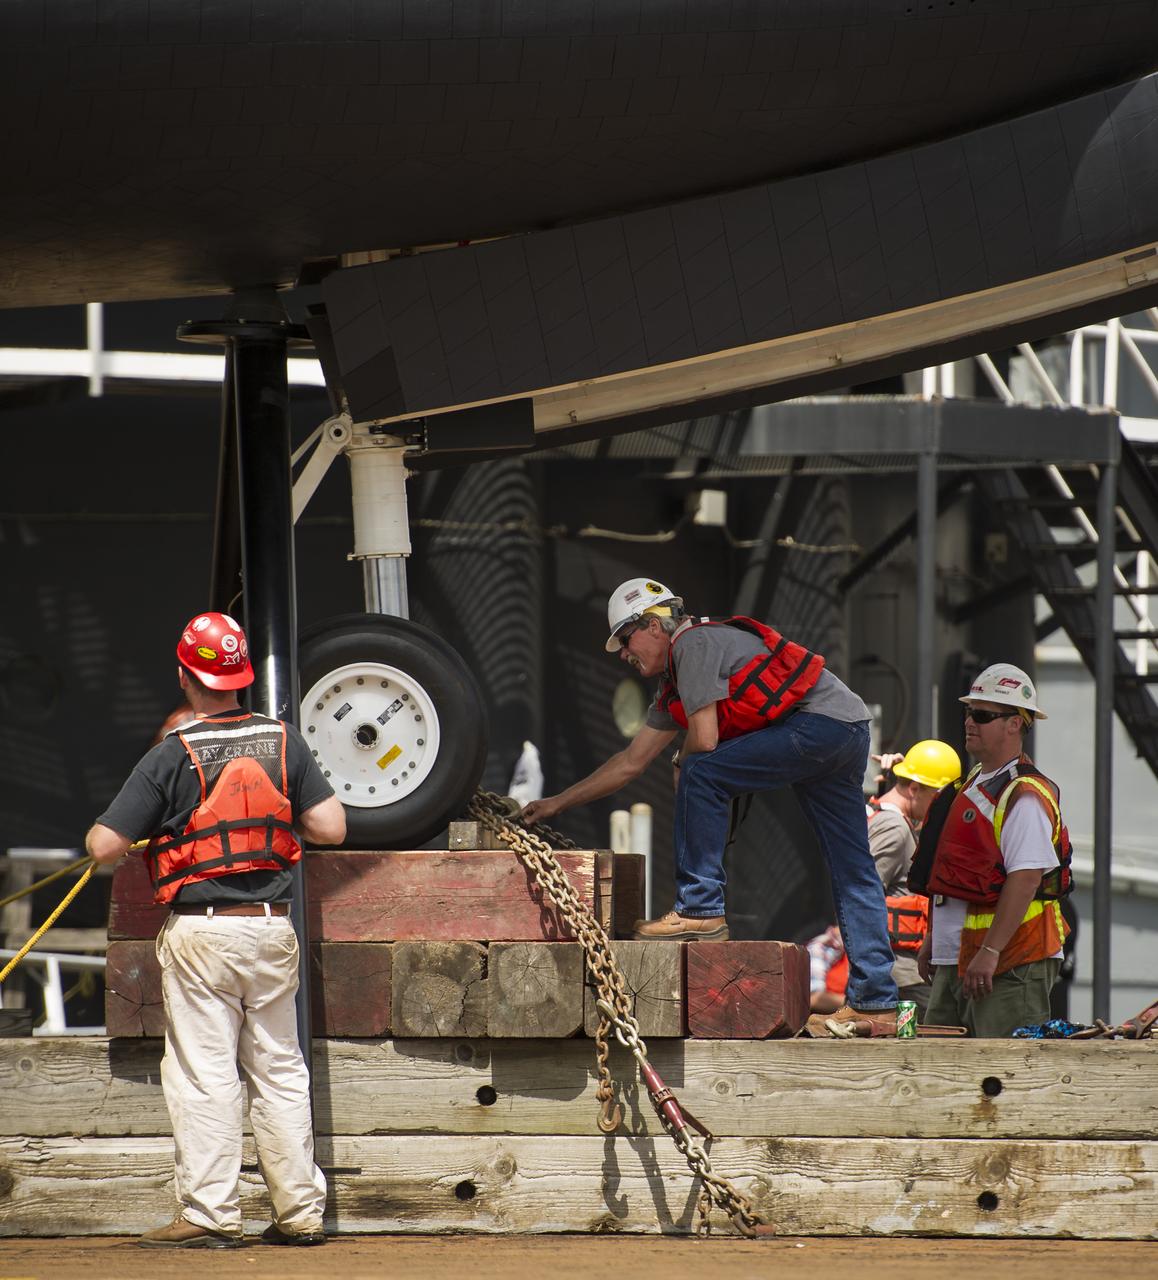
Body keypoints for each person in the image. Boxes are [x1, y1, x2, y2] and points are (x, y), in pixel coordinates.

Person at [520, 577, 899, 1034]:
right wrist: (555, 803)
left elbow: (704, 741)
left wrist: (687, 768)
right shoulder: (674, 685)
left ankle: (700, 909)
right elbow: (629, 763)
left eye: (625, 638)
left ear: (655, 626)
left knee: (701, 770)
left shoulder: (692, 644)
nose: (623, 653)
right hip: (848, 727)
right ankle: (875, 1004)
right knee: (854, 870)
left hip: (818, 728)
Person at [86, 612, 346, 1249]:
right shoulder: (285, 741)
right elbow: (331, 828)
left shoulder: (172, 753)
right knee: (281, 1071)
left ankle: (209, 1215)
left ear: (184, 676)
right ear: (242, 675)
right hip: (270, 929)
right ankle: (301, 1215)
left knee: (206, 1074)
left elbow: (102, 847)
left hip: (203, 934)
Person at [911, 663, 1072, 1037]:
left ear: (1016, 723)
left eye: (982, 715)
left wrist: (992, 951)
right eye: (968, 712)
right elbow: (954, 877)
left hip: (1010, 963)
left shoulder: (1024, 795)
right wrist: (935, 942)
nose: (969, 722)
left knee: (1006, 1077)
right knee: (940, 1076)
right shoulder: (971, 785)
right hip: (958, 960)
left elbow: (1027, 878)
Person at [868, 740, 962, 1017]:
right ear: (913, 788)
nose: (943, 805)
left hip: (902, 970)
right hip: (902, 976)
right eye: (938, 796)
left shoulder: (885, 815)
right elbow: (862, 897)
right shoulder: (893, 827)